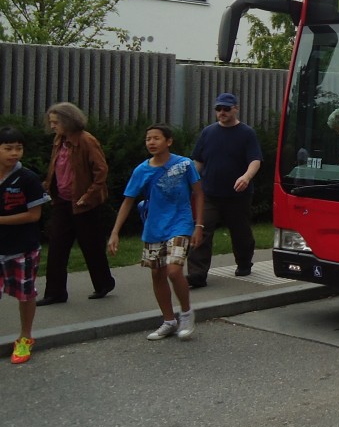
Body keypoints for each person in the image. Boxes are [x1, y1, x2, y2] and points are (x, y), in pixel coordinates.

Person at [108, 124, 204, 340]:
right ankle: (168, 320)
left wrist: (199, 225)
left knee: (174, 270)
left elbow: (198, 194)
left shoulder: (184, 165)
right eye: (148, 139)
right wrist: (115, 232)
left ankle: (186, 313)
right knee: (157, 274)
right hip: (153, 227)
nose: (151, 142)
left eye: (156, 138)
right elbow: (128, 201)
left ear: (168, 141)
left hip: (180, 224)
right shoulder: (141, 170)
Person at [38, 102, 115, 305]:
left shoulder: (86, 140)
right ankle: (55, 293)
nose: (52, 126)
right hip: (62, 201)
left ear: (68, 120)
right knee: (56, 246)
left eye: (56, 122)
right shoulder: (59, 140)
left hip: (83, 203)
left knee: (91, 245)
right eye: (51, 122)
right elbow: (57, 167)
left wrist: (88, 196)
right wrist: (47, 186)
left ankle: (104, 283)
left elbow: (101, 171)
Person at [187, 93, 263, 287]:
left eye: (226, 109)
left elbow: (255, 159)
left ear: (235, 109)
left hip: (238, 195)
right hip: (209, 194)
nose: (222, 112)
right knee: (201, 230)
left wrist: (246, 177)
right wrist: (190, 183)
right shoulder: (208, 133)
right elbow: (198, 161)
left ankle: (244, 262)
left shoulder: (247, 133)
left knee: (241, 233)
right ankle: (197, 274)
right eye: (219, 109)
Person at [0, 126, 50, 364]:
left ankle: (25, 337)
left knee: (25, 294)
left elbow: (34, 215)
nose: (14, 153)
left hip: (22, 248)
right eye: (8, 148)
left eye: (18, 148)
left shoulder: (27, 178)